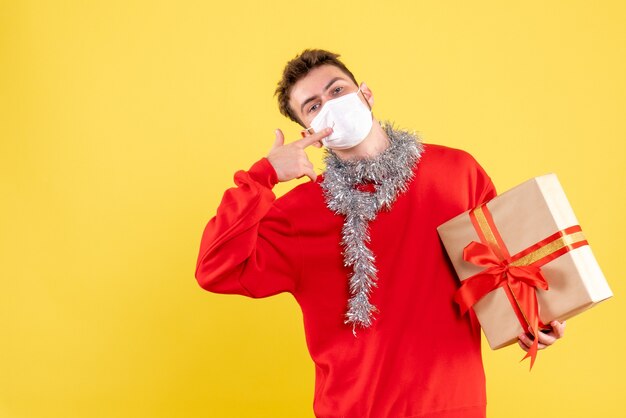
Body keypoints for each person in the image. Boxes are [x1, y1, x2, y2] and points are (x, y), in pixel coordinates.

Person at [194, 49, 565, 418]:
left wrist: (534, 320)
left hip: (454, 405)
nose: (330, 104)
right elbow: (214, 268)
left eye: (337, 90)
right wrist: (263, 176)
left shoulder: (458, 172)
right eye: (313, 105)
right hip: (356, 409)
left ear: (366, 95)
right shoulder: (298, 213)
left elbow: (505, 273)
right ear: (310, 134)